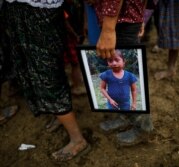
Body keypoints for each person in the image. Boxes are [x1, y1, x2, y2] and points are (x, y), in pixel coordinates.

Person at [1, 0, 90, 161]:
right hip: (18, 11)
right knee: (35, 70)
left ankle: (77, 140)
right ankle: (59, 116)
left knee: (48, 74)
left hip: (39, 13)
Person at [86, 0, 153, 146]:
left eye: (117, 61)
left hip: (121, 18)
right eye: (111, 62)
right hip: (123, 14)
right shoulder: (108, 75)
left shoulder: (129, 75)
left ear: (125, 62)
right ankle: (126, 116)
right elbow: (103, 87)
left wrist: (109, 29)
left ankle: (143, 127)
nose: (113, 63)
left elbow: (135, 90)